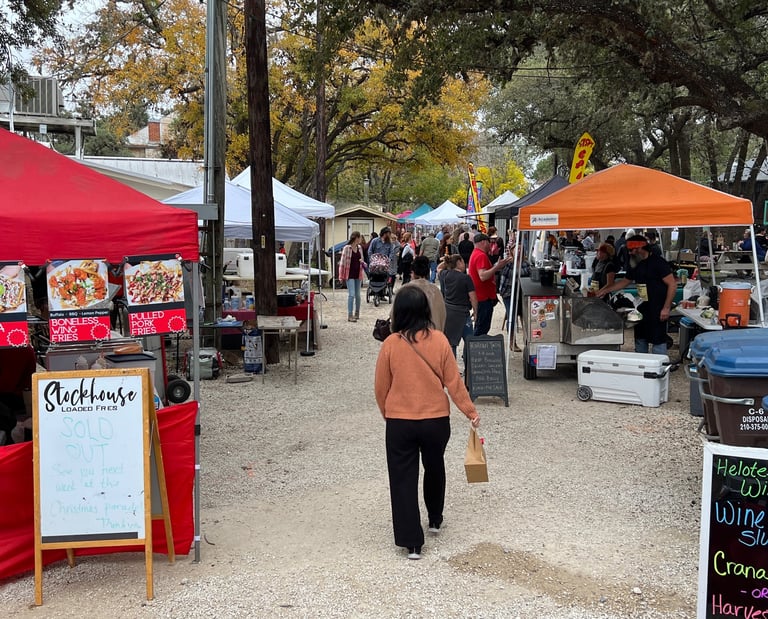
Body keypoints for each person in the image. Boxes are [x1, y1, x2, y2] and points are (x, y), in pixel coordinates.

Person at [374, 286, 480, 560]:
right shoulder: (441, 341)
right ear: (425, 310)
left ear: (398, 312)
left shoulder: (391, 344)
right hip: (435, 419)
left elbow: (381, 387)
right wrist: (469, 411)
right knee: (435, 466)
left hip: (400, 420)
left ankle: (412, 542)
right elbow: (453, 382)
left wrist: (389, 412)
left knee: (402, 479)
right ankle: (434, 518)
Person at [597, 234, 676, 354]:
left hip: (657, 308)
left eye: (631, 250)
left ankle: (659, 366)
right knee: (640, 338)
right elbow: (625, 281)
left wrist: (666, 307)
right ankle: (641, 364)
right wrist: (604, 291)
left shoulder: (658, 263)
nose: (629, 253)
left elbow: (672, 284)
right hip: (641, 308)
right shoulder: (635, 263)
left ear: (640, 248)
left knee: (658, 340)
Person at [467, 233, 511, 336]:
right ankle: (473, 350)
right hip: (483, 298)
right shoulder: (481, 255)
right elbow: (482, 276)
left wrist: (497, 266)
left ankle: (472, 349)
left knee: (480, 327)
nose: (491, 245)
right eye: (489, 242)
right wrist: (497, 267)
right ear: (483, 242)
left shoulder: (476, 253)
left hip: (482, 296)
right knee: (481, 328)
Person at [437, 254, 477, 358]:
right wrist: (476, 312)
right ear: (459, 262)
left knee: (451, 343)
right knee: (469, 340)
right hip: (463, 313)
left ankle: (452, 369)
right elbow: (473, 297)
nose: (465, 264)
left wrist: (447, 261)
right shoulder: (466, 278)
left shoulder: (445, 274)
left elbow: (439, 268)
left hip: (449, 312)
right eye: (463, 261)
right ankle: (469, 367)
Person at [398, 256, 446, 332]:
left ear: (412, 272)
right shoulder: (436, 291)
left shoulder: (404, 290)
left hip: (408, 336)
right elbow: (442, 315)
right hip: (433, 336)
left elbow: (394, 316)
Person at [0, 345, 36, 445]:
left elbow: (7, 385)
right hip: (16, 399)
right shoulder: (22, 348)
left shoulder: (14, 349)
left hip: (13, 400)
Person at [338, 231, 366, 322]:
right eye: (360, 238)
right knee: (352, 294)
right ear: (356, 238)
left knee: (358, 295)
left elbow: (362, 259)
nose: (361, 240)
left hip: (358, 274)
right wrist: (341, 276)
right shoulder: (347, 248)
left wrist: (362, 262)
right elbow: (342, 263)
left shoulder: (360, 248)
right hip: (349, 274)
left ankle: (357, 313)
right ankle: (350, 315)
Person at [368, 227, 399, 291]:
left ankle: (383, 291)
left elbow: (391, 252)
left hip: (385, 264)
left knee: (385, 277)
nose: (390, 235)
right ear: (384, 233)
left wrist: (389, 260)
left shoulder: (390, 243)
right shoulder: (375, 241)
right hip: (375, 264)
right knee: (373, 275)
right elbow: (370, 251)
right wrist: (372, 259)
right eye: (389, 234)